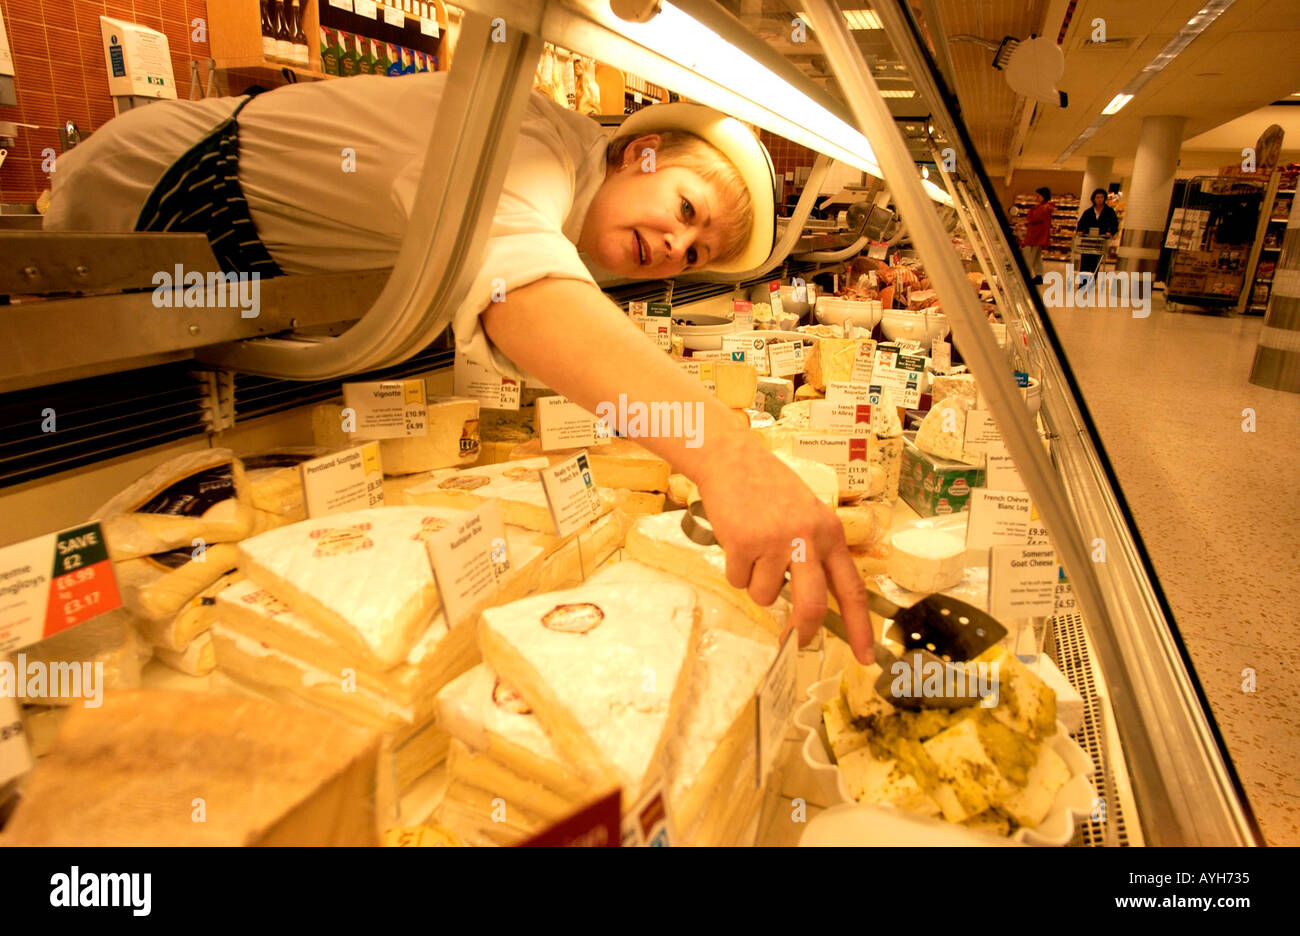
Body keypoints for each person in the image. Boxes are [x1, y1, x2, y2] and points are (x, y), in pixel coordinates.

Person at [44, 72, 874, 663]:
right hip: (147, 200)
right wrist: (730, 457)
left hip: (243, 279)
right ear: (642, 153)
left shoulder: (571, 191)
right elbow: (524, 296)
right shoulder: (530, 139)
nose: (674, 248)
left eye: (694, 251)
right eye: (684, 211)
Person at [1076, 187, 1119, 279]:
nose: (1099, 199)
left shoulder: (1109, 212)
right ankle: (1083, 282)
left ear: (1104, 198)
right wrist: (1080, 231)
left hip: (1100, 241)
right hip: (1088, 240)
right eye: (1097, 197)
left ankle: (1092, 281)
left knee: (1096, 262)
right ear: (1093, 199)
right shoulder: (1088, 212)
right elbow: (1081, 224)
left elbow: (1115, 224)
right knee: (1085, 262)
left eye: (1101, 197)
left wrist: (1110, 233)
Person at [1020, 186, 1053, 284]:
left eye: (1038, 195)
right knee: (1037, 257)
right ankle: (1038, 276)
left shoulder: (1043, 208)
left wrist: (1029, 215)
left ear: (1044, 196)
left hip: (1035, 236)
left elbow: (1032, 218)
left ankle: (1025, 276)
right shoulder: (1046, 207)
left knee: (1029, 257)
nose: (1036, 197)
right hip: (1039, 236)